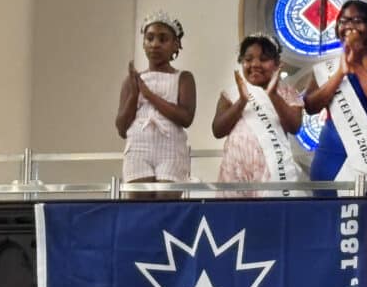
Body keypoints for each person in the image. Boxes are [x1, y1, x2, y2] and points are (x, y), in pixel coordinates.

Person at [304, 0, 367, 196]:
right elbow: (310, 106)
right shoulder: (326, 70)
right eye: (343, 21)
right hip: (332, 153)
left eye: (357, 20)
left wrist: (357, 66)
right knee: (328, 217)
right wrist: (340, 73)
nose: (349, 25)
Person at [115, 11, 196, 198]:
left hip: (170, 148)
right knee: (139, 207)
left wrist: (149, 95)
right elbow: (121, 128)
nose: (155, 44)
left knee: (165, 205)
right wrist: (135, 94)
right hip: (138, 147)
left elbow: (185, 117)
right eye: (149, 38)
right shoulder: (132, 81)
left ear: (175, 45)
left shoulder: (183, 78)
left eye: (163, 39)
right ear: (143, 43)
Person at [212, 34, 304, 197]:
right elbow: (218, 130)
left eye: (263, 59)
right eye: (248, 59)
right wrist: (242, 101)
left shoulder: (287, 93)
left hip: (271, 168)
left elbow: (294, 126)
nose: (255, 64)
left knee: (268, 218)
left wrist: (274, 95)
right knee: (234, 218)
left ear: (276, 64)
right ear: (241, 62)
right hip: (236, 166)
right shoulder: (231, 93)